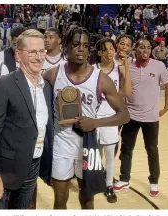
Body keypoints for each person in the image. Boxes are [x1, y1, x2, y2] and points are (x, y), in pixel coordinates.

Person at [41, 27, 130, 209]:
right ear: (65, 46)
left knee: (87, 200)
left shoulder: (101, 79)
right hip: (61, 144)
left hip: (88, 146)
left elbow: (124, 115)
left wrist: (95, 122)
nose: (80, 49)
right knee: (60, 200)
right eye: (75, 44)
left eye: (85, 45)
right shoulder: (52, 74)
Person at [0, 29, 54, 209]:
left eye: (42, 51)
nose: (39, 57)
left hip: (32, 165)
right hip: (4, 169)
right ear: (18, 55)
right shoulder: (2, 84)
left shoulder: (47, 87)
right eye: (32, 52)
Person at [114, 39, 168, 197]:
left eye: (148, 47)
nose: (145, 50)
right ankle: (124, 179)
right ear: (135, 50)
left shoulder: (159, 66)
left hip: (151, 118)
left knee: (152, 150)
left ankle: (154, 181)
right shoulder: (128, 65)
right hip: (131, 116)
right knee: (126, 148)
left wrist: (166, 107)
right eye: (141, 47)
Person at [93, 37, 131, 203]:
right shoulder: (92, 69)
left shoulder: (119, 69)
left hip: (110, 117)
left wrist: (127, 71)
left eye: (111, 48)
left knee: (110, 154)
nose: (109, 52)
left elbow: (127, 92)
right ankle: (95, 181)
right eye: (105, 49)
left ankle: (108, 185)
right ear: (99, 52)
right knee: (94, 154)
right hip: (93, 117)